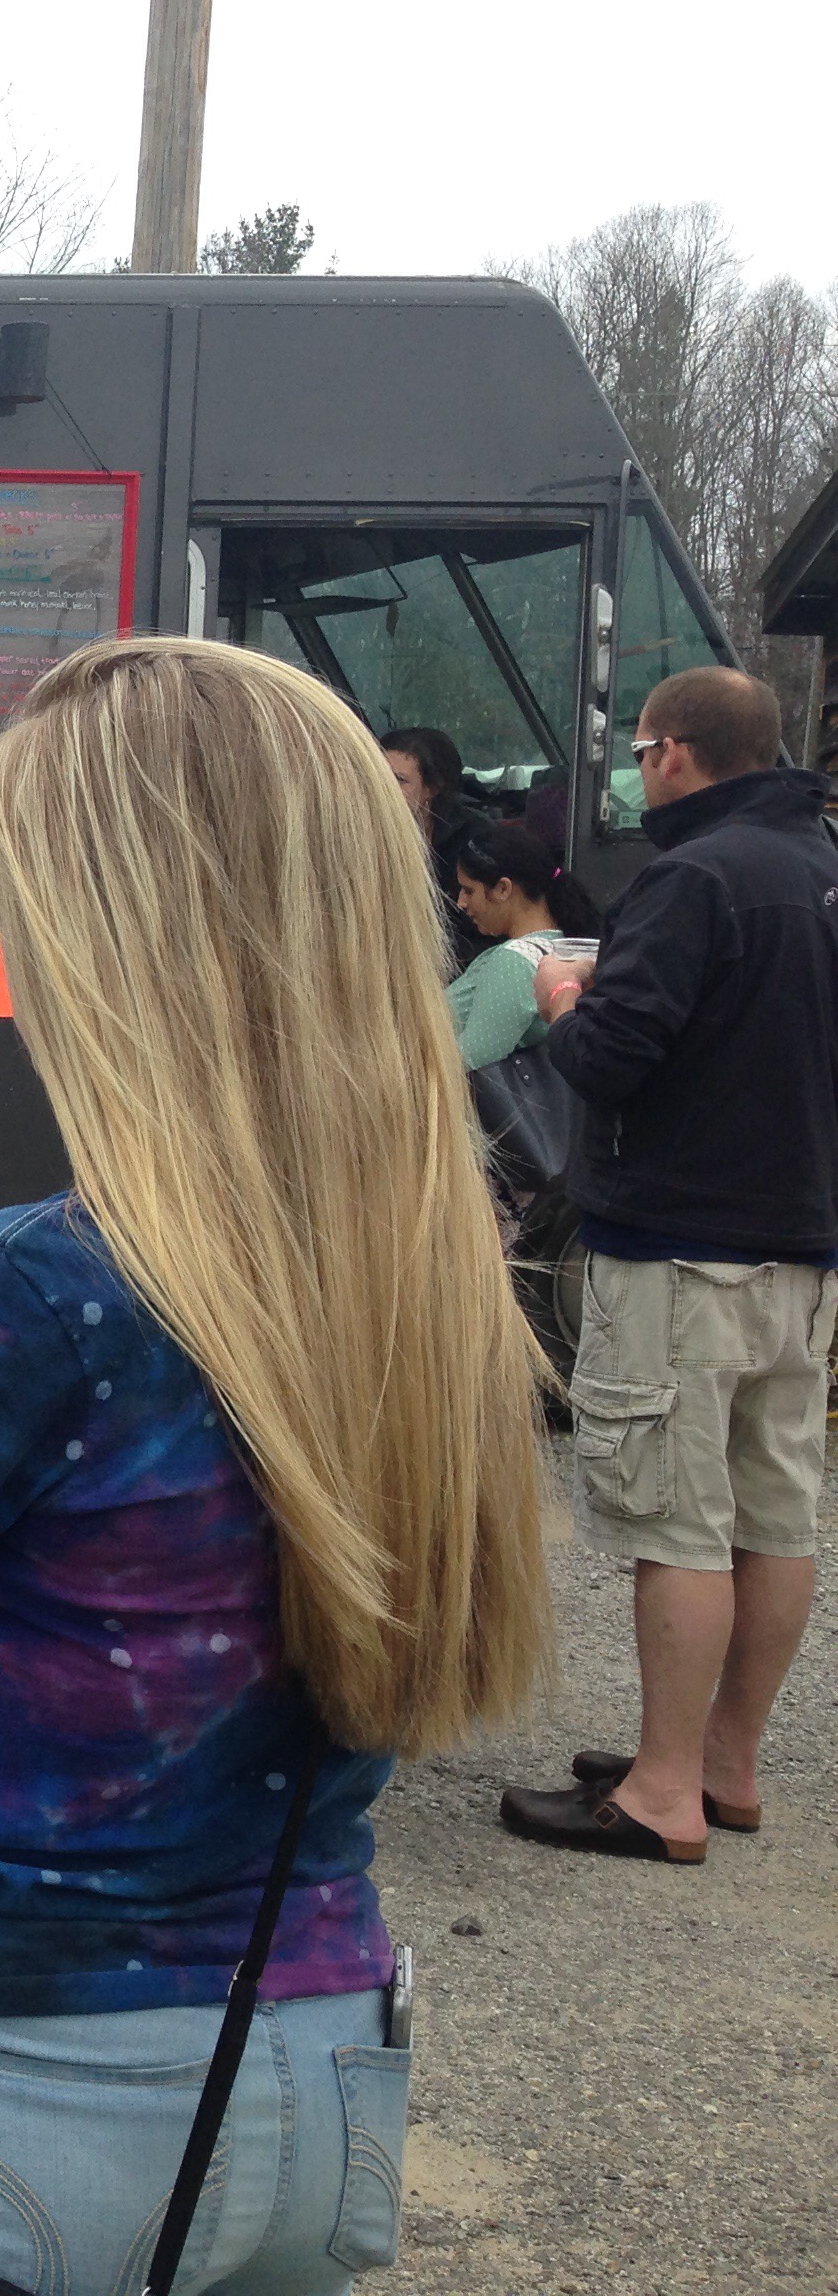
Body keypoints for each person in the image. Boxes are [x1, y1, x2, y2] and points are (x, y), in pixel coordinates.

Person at [0, 638, 550, 2287]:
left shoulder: (26, 1289)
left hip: (13, 2074)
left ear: (103, 937)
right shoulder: (425, 1276)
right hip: (315, 2043)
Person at [501, 665, 838, 1863]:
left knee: (679, 1526)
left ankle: (660, 1793)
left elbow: (611, 1059)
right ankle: (725, 1766)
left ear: (676, 753)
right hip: (803, 1250)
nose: (640, 773)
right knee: (774, 1514)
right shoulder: (818, 863)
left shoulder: (693, 876)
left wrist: (563, 999)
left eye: (639, 753)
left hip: (682, 1249)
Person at [447, 821, 601, 1070]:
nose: (461, 902)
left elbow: (472, 1059)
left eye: (468, 891)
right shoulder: (565, 948)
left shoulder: (514, 962)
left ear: (503, 888)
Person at [381, 723, 488, 970]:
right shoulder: (361, 829)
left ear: (432, 788)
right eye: (379, 775)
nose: (384, 787)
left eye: (399, 780)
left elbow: (481, 927)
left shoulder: (473, 839)